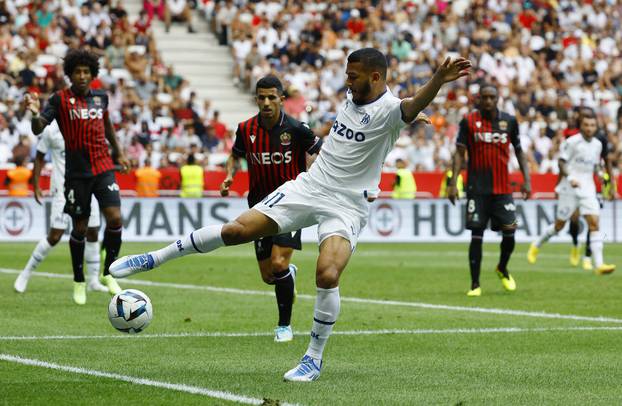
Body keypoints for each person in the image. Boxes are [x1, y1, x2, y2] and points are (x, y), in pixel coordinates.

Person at [110, 48, 471, 382]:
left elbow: (406, 106)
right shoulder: (354, 97)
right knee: (237, 231)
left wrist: (436, 81)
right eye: (347, 74)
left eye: (353, 75)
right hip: (309, 186)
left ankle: (312, 358)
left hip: (346, 205)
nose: (347, 81)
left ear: (375, 77)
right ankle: (154, 258)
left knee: (327, 273)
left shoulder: (392, 109)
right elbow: (395, 114)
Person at [220, 75, 322, 342]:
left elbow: (320, 151)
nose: (266, 103)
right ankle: (289, 274)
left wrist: (313, 175)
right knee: (269, 276)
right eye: (261, 98)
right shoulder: (246, 129)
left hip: (292, 205)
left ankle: (284, 326)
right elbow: (235, 154)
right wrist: (230, 175)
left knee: (277, 263)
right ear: (256, 99)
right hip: (259, 207)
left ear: (281, 99)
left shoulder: (297, 129)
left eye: (271, 97)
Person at [24, 48, 130, 302]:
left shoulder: (100, 98)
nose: (82, 76)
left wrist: (120, 153)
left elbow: (108, 129)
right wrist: (35, 113)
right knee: (80, 228)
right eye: (77, 72)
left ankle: (108, 273)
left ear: (93, 74)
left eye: (86, 72)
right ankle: (79, 280)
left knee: (115, 219)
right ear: (70, 74)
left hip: (103, 167)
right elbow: (39, 128)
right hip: (77, 174)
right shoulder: (59, 100)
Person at [448, 84, 531, 297]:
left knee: (510, 231)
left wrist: (527, 180)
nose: (487, 101)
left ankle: (502, 267)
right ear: (478, 99)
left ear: (497, 99)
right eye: (483, 97)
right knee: (477, 235)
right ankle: (475, 284)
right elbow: (459, 153)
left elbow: (520, 152)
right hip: (477, 188)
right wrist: (453, 182)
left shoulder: (509, 121)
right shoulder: (469, 121)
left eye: (491, 97)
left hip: (503, 189)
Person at [14, 123, 110, 302]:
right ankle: (25, 274)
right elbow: (39, 157)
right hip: (62, 190)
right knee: (55, 236)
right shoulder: (51, 130)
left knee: (93, 231)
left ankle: (93, 281)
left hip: (88, 186)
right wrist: (36, 185)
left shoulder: (86, 124)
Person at [527, 114, 615, 275]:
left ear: (596, 127)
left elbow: (595, 165)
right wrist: (570, 178)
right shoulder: (572, 142)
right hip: (570, 188)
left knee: (594, 224)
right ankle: (536, 245)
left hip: (588, 188)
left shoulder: (597, 145)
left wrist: (601, 174)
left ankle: (599, 264)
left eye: (592, 125)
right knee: (559, 225)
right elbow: (561, 162)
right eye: (586, 125)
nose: (589, 128)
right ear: (581, 126)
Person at [563, 108, 615, 270]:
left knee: (593, 219)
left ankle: (587, 256)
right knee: (574, 220)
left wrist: (610, 183)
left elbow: (605, 161)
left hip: (592, 184)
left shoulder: (600, 139)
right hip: (574, 183)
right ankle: (575, 244)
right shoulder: (572, 137)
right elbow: (566, 161)